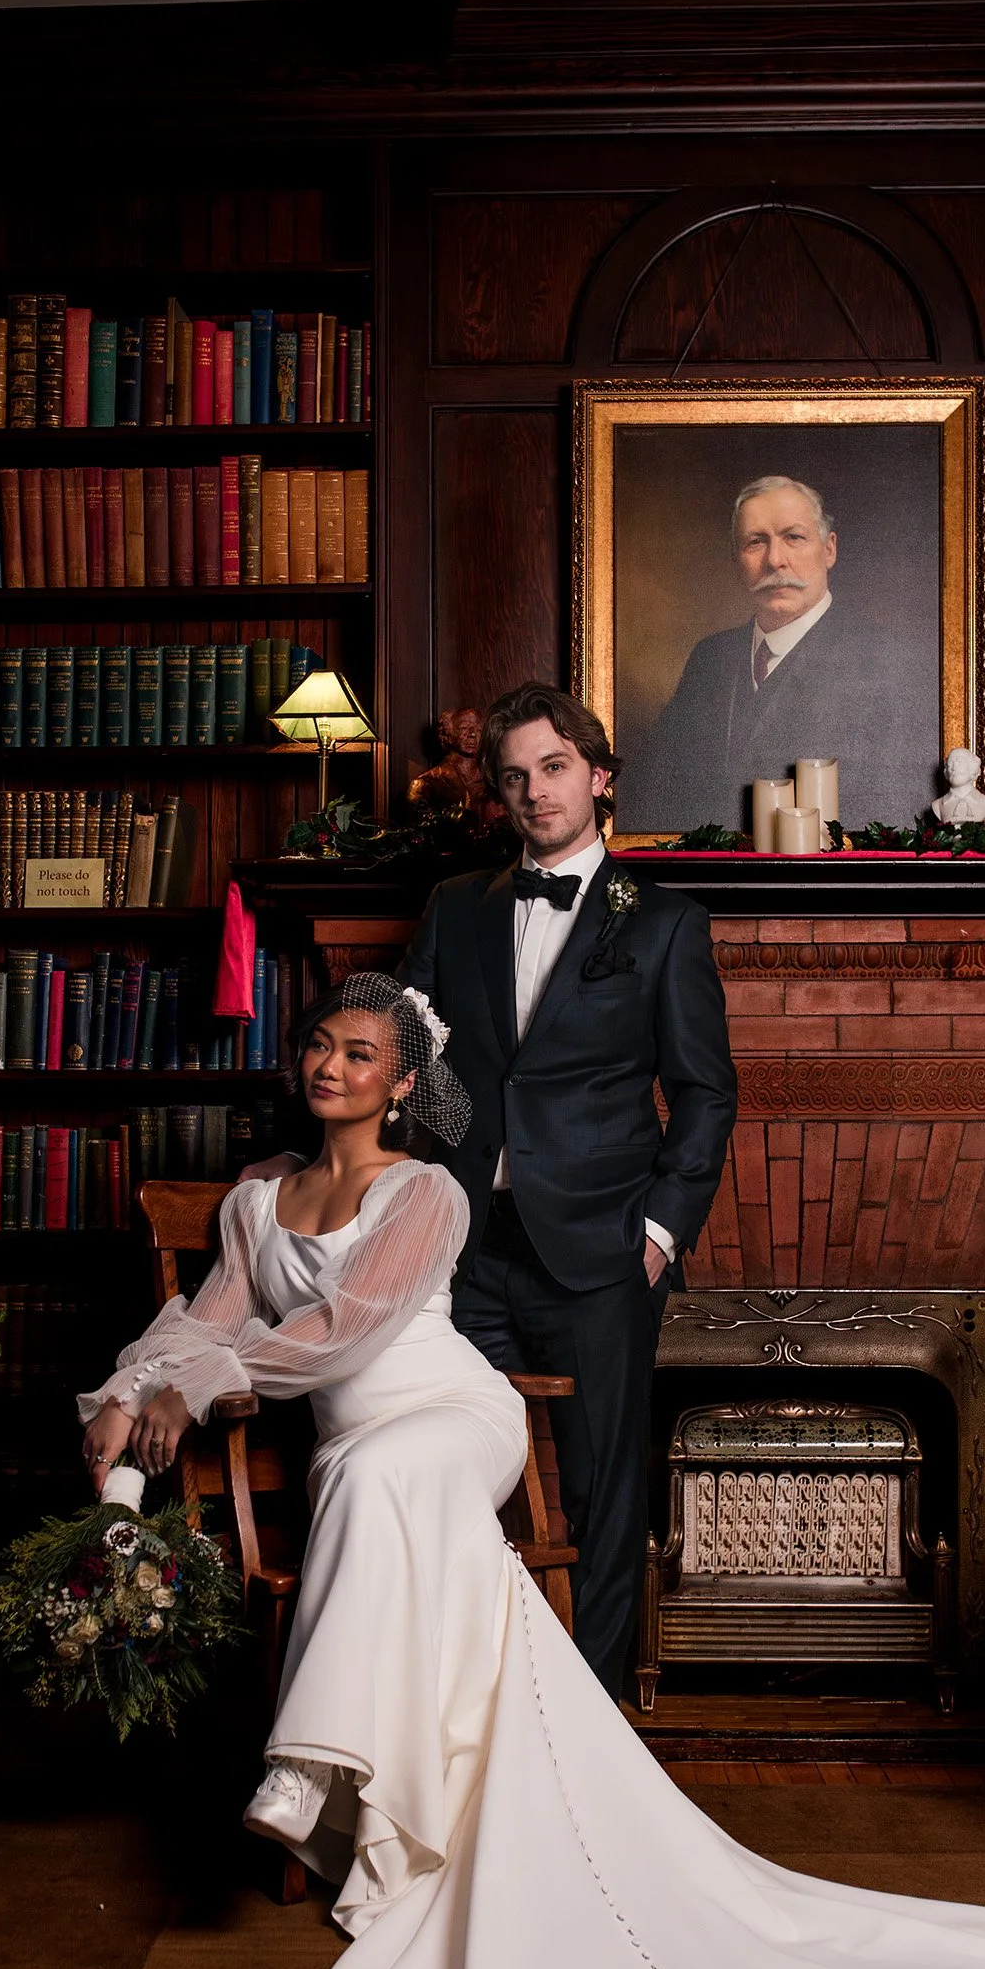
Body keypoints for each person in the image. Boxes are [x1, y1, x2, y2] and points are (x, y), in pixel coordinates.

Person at [76, 973, 985, 1969]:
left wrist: (195, 1373)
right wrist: (137, 1385)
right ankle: (357, 1773)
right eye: (320, 1047)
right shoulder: (251, 1203)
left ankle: (311, 1768)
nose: (332, 1066)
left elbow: (342, 1332)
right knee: (372, 1489)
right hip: (349, 1450)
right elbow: (203, 1313)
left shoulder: (425, 1192)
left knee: (391, 1473)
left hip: (447, 1414)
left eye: (360, 1053)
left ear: (400, 1082)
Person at [402, 682, 736, 1697]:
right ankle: (471, 1710)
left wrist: (657, 1230)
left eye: (553, 768)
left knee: (598, 1496)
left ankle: (583, 1733)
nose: (534, 791)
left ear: (597, 778)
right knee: (458, 1485)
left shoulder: (662, 922)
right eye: (514, 776)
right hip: (464, 1248)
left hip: (599, 1256)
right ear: (496, 795)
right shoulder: (454, 907)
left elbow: (705, 1092)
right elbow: (410, 1060)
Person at [626, 474, 925, 836]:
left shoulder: (884, 660)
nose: (775, 560)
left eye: (794, 538)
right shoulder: (710, 657)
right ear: (737, 559)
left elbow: (894, 817)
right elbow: (659, 793)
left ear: (829, 549)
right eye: (756, 542)